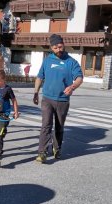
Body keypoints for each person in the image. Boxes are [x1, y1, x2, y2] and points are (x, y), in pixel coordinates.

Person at [33, 34, 83, 164]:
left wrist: (73, 87)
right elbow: (39, 77)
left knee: (59, 126)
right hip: (47, 99)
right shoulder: (47, 60)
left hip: (62, 100)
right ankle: (42, 152)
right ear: (51, 47)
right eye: (55, 47)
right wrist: (35, 92)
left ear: (63, 45)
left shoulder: (71, 62)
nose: (58, 49)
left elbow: (79, 78)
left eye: (60, 46)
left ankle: (57, 148)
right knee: (46, 125)